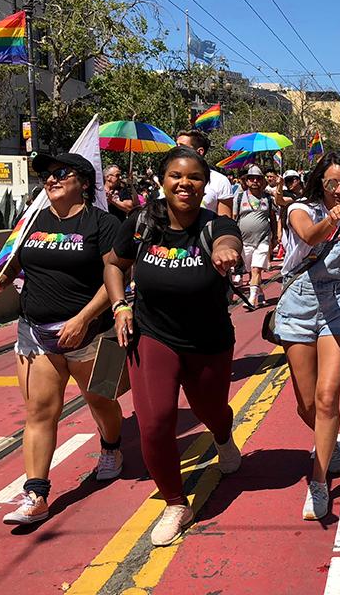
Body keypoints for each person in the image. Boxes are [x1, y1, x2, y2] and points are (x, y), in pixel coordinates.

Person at [104, 146, 243, 547]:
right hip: (152, 334)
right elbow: (114, 264)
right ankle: (174, 502)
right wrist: (119, 306)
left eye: (194, 177)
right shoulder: (140, 224)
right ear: (162, 182)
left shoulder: (214, 224)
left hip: (208, 340)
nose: (185, 183)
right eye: (176, 176)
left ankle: (222, 434)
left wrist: (225, 251)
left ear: (205, 185)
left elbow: (227, 239)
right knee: (155, 422)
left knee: (211, 410)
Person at [0, 153, 123, 526]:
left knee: (102, 402)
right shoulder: (32, 221)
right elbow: (15, 264)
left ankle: (111, 447)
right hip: (36, 333)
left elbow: (116, 276)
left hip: (93, 332)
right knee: (40, 412)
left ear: (84, 182)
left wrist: (82, 318)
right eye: (46, 175)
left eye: (61, 173)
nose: (51, 179)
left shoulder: (103, 223)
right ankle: (36, 493)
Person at [274, 152, 340, 519]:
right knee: (307, 404)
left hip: (337, 302)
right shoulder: (301, 207)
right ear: (321, 183)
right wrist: (330, 220)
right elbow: (306, 235)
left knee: (327, 397)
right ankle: (328, 444)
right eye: (332, 183)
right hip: (298, 301)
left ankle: (318, 481)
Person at [233, 165, 275, 306]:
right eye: (251, 178)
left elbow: (273, 218)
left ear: (262, 181)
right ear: (247, 181)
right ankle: (260, 292)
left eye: (258, 178)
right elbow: (234, 218)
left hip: (263, 239)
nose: (255, 181)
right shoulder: (238, 197)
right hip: (244, 241)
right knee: (252, 270)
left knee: (256, 268)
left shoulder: (268, 198)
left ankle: (251, 300)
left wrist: (275, 236)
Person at [175, 129, 234, 216]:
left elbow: (226, 223)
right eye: (176, 146)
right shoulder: (170, 178)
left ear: (200, 152)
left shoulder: (220, 181)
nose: (176, 150)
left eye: (182, 147)